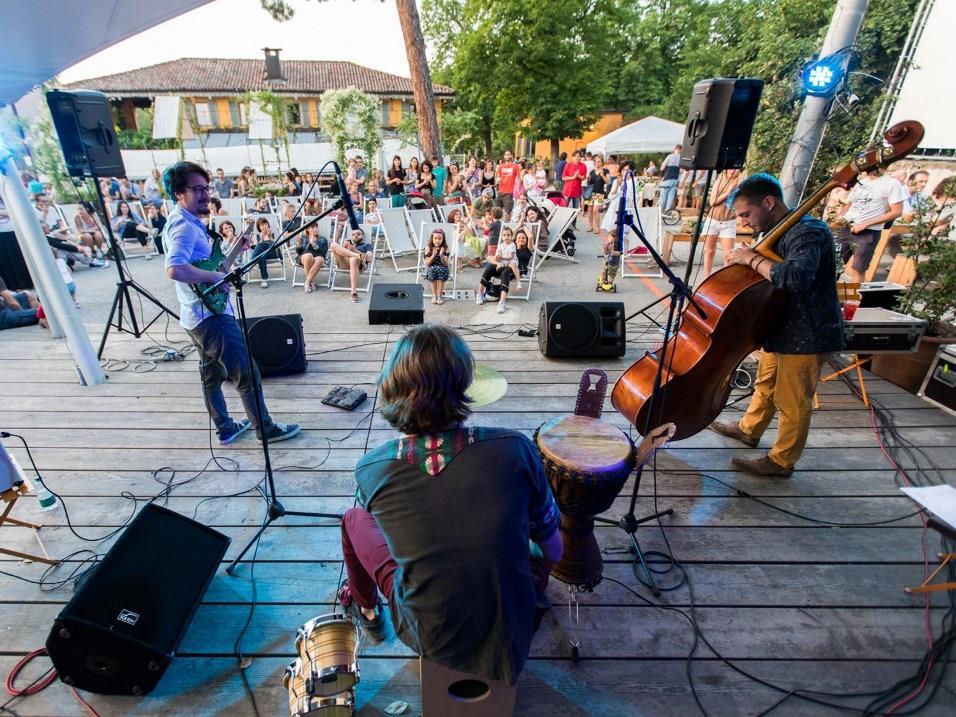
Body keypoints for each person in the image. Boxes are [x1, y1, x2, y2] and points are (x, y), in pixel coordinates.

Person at [336, 324, 564, 683]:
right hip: (512, 627)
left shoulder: (372, 468)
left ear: (392, 388)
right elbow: (554, 548)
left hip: (428, 632)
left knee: (353, 518)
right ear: (465, 385)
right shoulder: (515, 448)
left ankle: (367, 612)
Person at [709, 173, 844, 477]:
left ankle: (782, 461)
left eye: (746, 214)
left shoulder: (808, 232)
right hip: (779, 326)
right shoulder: (779, 229)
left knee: (793, 399)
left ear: (769, 202)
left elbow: (795, 277)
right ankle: (749, 429)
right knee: (766, 382)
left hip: (807, 330)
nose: (743, 222)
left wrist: (751, 260)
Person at [161, 161, 298, 445]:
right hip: (211, 317)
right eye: (196, 189)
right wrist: (214, 276)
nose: (205, 194)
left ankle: (225, 428)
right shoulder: (183, 227)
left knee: (211, 377)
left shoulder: (189, 222)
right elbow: (174, 268)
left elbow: (213, 267)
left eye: (206, 188)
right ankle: (266, 429)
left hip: (196, 316)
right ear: (178, 192)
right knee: (246, 372)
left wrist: (235, 249)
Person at [835, 167, 906, 282]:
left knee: (858, 269)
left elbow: (897, 211)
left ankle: (853, 299)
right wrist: (841, 215)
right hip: (847, 228)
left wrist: (865, 224)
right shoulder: (862, 181)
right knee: (834, 264)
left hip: (868, 231)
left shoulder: (891, 183)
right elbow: (849, 203)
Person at [701, 168, 743, 277]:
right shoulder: (720, 180)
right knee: (709, 251)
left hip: (729, 222)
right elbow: (712, 202)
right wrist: (728, 192)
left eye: (735, 168)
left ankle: (726, 280)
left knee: (729, 255)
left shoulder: (743, 182)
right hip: (713, 220)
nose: (732, 170)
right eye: (730, 167)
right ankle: (707, 278)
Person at [477, 226, 518, 314]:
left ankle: (502, 302)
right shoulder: (500, 245)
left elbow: (510, 257)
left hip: (510, 265)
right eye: (504, 235)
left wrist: (501, 257)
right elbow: (497, 256)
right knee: (489, 267)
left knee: (505, 273)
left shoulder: (512, 245)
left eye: (508, 235)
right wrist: (497, 258)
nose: (506, 237)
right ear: (502, 237)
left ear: (511, 236)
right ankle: (479, 294)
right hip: (500, 264)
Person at [330, 227, 374, 303]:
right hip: (344, 263)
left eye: (358, 234)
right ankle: (356, 255)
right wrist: (344, 248)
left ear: (363, 236)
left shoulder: (367, 245)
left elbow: (369, 258)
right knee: (333, 244)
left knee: (353, 259)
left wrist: (354, 250)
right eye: (353, 234)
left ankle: (353, 292)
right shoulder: (348, 244)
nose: (356, 236)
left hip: (358, 264)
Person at [295, 221, 328, 294]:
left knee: (320, 259)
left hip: (318, 257)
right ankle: (311, 282)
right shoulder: (303, 238)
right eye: (312, 227)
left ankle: (307, 282)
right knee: (309, 256)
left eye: (316, 227)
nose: (315, 229)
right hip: (305, 256)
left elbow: (323, 253)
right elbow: (299, 252)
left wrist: (314, 244)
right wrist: (299, 245)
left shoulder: (323, 239)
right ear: (307, 229)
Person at [423, 227, 450, 305]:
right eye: (435, 238)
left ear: (443, 239)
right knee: (432, 270)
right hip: (432, 266)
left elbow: (445, 264)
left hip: (443, 266)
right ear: (432, 238)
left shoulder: (445, 248)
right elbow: (427, 264)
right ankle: (434, 295)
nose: (437, 241)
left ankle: (439, 296)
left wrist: (441, 255)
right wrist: (433, 256)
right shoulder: (428, 247)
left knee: (441, 270)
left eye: (439, 239)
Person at [250, 217, 277, 288]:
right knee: (261, 255)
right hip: (263, 256)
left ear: (268, 224)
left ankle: (251, 262)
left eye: (265, 224)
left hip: (273, 253)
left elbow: (276, 247)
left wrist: (270, 237)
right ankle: (264, 279)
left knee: (260, 250)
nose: (264, 226)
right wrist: (261, 239)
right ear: (259, 227)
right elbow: (253, 248)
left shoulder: (273, 234)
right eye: (261, 225)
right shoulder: (257, 236)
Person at [586, 156, 610, 233]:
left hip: (599, 193)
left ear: (602, 162)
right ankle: (590, 226)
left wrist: (602, 175)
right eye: (596, 162)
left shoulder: (605, 171)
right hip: (591, 193)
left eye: (599, 161)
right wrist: (588, 179)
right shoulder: (592, 172)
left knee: (595, 210)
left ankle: (597, 227)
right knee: (589, 210)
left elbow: (608, 182)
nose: (597, 163)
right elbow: (589, 184)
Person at [495, 151, 521, 216]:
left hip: (510, 193)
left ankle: (507, 226)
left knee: (508, 212)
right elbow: (498, 178)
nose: (507, 156)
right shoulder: (500, 167)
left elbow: (519, 179)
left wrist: (518, 191)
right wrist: (497, 182)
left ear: (511, 156)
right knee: (496, 212)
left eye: (509, 154)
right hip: (500, 192)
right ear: (504, 156)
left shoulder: (515, 166)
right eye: (506, 155)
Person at [659, 145, 682, 212]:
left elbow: (662, 168)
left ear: (675, 149)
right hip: (675, 179)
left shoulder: (670, 156)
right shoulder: (681, 158)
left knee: (663, 196)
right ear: (680, 150)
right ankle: (668, 212)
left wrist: (663, 168)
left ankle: (660, 212)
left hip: (668, 178)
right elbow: (681, 171)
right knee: (671, 197)